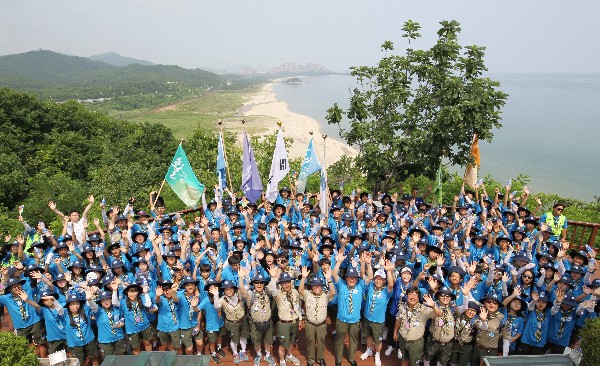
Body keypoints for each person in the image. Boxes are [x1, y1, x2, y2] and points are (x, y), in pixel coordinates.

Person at [332, 251, 367, 366]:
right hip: (341, 319)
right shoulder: (341, 284)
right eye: (349, 277)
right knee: (339, 340)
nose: (352, 279)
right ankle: (338, 358)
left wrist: (363, 263)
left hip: (355, 320)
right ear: (346, 278)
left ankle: (351, 358)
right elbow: (334, 274)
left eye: (354, 277)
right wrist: (339, 261)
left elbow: (369, 277)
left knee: (353, 340)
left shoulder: (360, 285)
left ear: (357, 279)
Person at [238, 269, 277, 366]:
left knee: (268, 340)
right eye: (257, 283)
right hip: (255, 324)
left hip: (268, 322)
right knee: (256, 341)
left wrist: (272, 277)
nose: (259, 285)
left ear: (264, 284)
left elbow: (273, 288)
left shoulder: (267, 292)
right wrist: (240, 278)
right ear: (253, 284)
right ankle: (258, 355)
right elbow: (242, 291)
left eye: (261, 283)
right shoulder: (250, 294)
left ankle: (268, 355)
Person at [299, 266, 336, 366]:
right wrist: (303, 278)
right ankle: (311, 360)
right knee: (310, 342)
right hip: (310, 323)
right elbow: (300, 290)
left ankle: (320, 359)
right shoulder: (307, 294)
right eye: (315, 286)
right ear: (311, 286)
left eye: (319, 285)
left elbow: (333, 292)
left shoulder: (325, 295)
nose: (317, 287)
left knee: (321, 342)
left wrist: (329, 279)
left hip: (321, 324)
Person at [267, 269, 302, 366]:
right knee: (282, 344)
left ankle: (289, 355)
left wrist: (300, 319)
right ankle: (282, 361)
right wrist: (274, 277)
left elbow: (298, 306)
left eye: (288, 282)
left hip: (294, 321)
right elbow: (270, 287)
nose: (286, 284)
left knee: (291, 341)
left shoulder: (295, 292)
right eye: (284, 283)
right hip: (283, 323)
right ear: (281, 284)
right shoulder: (277, 294)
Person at [392, 287, 435, 366]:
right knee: (404, 360)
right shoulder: (402, 307)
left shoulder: (424, 309)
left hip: (416, 343)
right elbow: (398, 320)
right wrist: (395, 332)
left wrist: (433, 306)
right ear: (407, 296)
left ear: (419, 298)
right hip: (403, 339)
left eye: (415, 295)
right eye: (410, 294)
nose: (412, 297)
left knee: (414, 363)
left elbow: (439, 314)